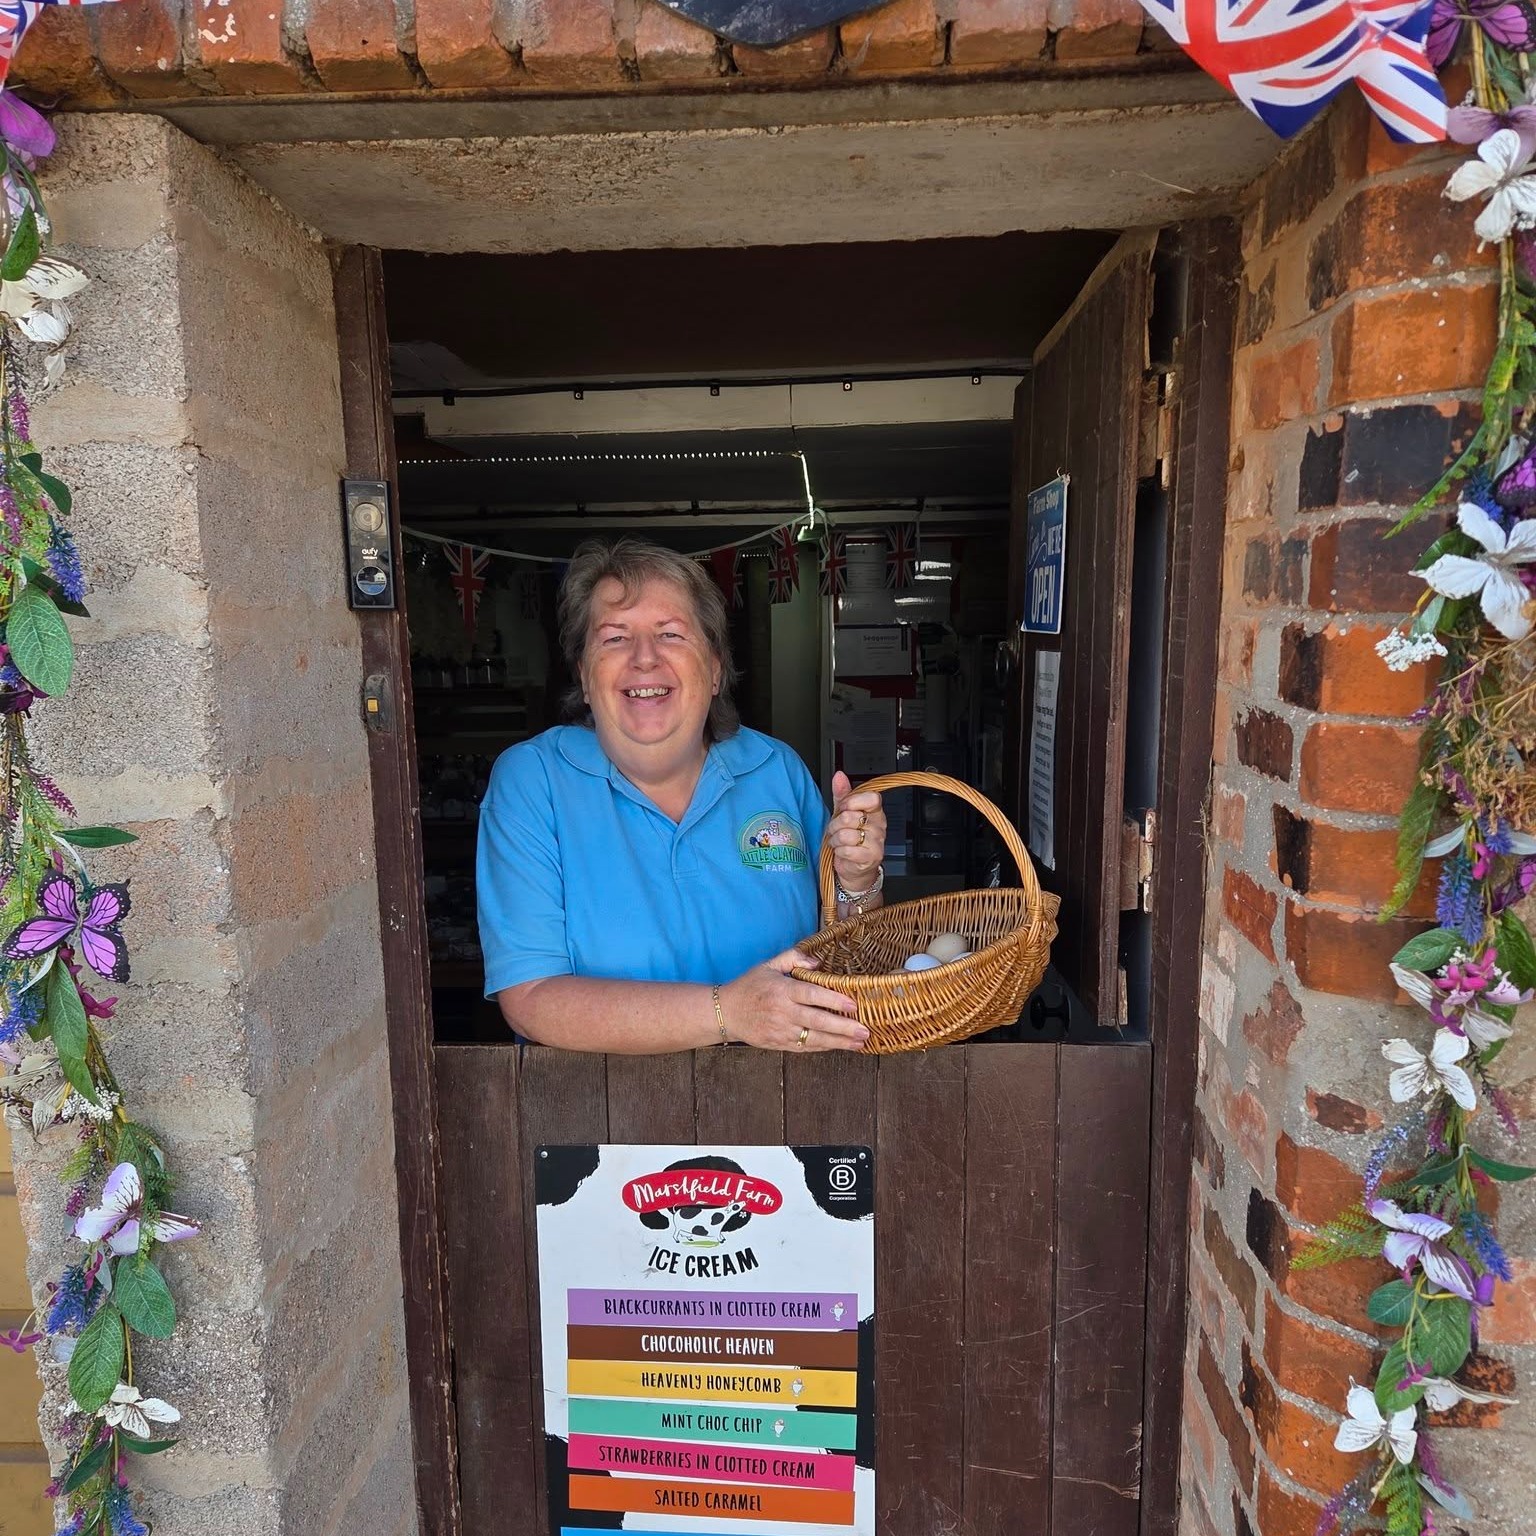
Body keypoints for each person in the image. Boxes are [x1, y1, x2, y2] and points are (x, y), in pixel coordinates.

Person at [475, 537, 888, 1054]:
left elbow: (851, 957)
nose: (644, 659)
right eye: (614, 638)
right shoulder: (534, 782)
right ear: (583, 674)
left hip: (788, 1097)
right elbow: (531, 997)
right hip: (595, 1113)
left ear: (714, 670)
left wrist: (858, 882)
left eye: (671, 634)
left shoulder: (774, 771)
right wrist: (730, 1013)